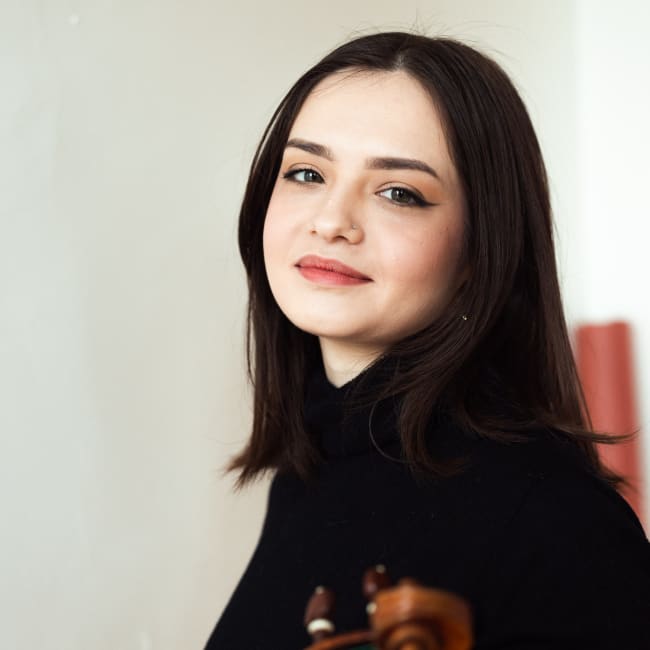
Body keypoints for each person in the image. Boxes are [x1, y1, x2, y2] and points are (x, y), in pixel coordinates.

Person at [204, 32, 650, 649]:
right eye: (307, 172)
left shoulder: (558, 520)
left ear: (479, 250)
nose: (331, 221)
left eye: (399, 193)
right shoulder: (308, 472)